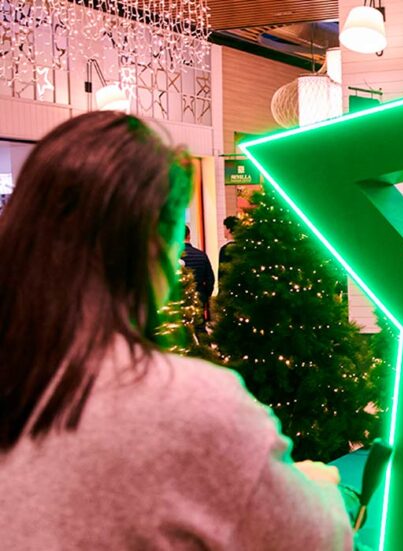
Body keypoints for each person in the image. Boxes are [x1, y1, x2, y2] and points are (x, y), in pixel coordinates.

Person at [0, 112, 352, 549]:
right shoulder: (191, 402)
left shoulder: (25, 380)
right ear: (154, 243)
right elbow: (315, 539)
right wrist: (320, 491)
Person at [183, 224, 215, 314]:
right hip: (199, 298)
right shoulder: (201, 255)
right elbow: (210, 279)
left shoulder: (173, 257)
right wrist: (205, 296)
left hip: (179, 300)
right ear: (189, 236)